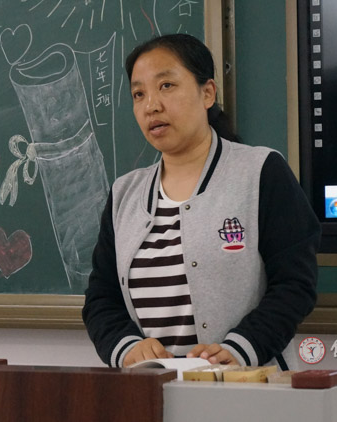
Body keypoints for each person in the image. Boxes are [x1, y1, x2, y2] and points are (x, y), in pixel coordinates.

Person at [82, 33, 320, 370]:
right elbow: (101, 298)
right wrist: (127, 348)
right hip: (153, 388)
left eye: (166, 86)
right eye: (139, 94)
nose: (151, 105)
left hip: (249, 385)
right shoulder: (125, 193)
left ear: (207, 93)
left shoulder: (260, 171)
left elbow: (295, 284)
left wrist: (241, 348)